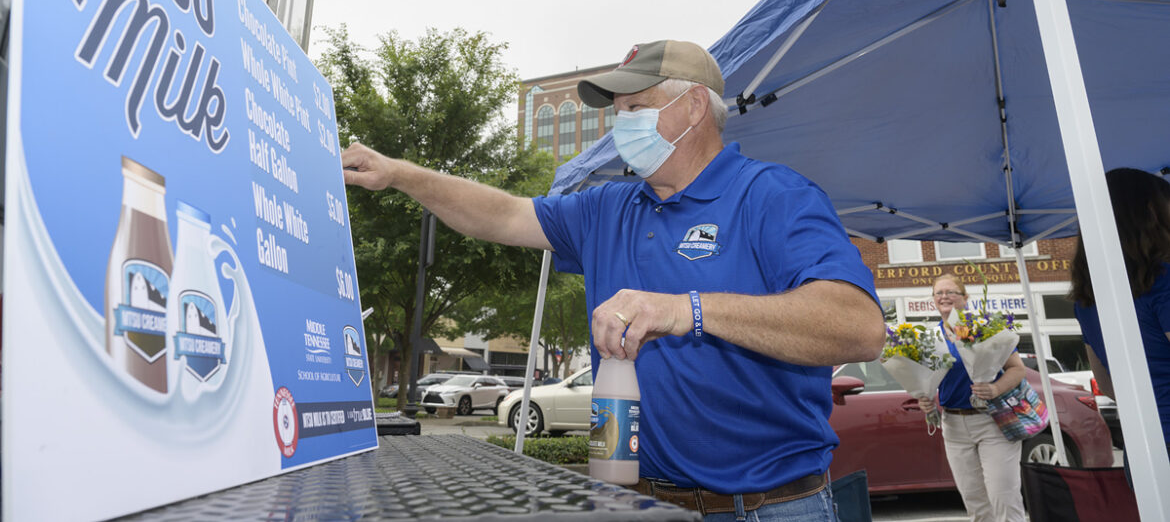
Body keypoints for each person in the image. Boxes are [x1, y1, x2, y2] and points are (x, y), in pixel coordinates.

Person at [342, 39, 885, 521]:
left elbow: (857, 327)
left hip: (768, 509)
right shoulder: (608, 208)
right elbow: (504, 215)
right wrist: (399, 174)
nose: (620, 124)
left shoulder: (773, 196)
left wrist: (684, 310)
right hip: (637, 503)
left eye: (635, 108)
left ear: (695, 107)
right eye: (617, 112)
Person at [1069, 167, 1170, 465]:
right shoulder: (1162, 280)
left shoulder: (1088, 297)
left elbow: (1106, 381)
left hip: (1143, 450)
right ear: (1151, 213)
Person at [918, 274, 1026, 522]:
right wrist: (924, 399)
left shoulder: (985, 329)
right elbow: (927, 380)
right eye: (938, 293)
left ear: (965, 298)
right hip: (954, 426)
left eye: (951, 292)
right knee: (976, 504)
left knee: (1004, 499)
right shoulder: (929, 339)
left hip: (993, 422)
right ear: (933, 300)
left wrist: (996, 388)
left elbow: (1017, 369)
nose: (944, 296)